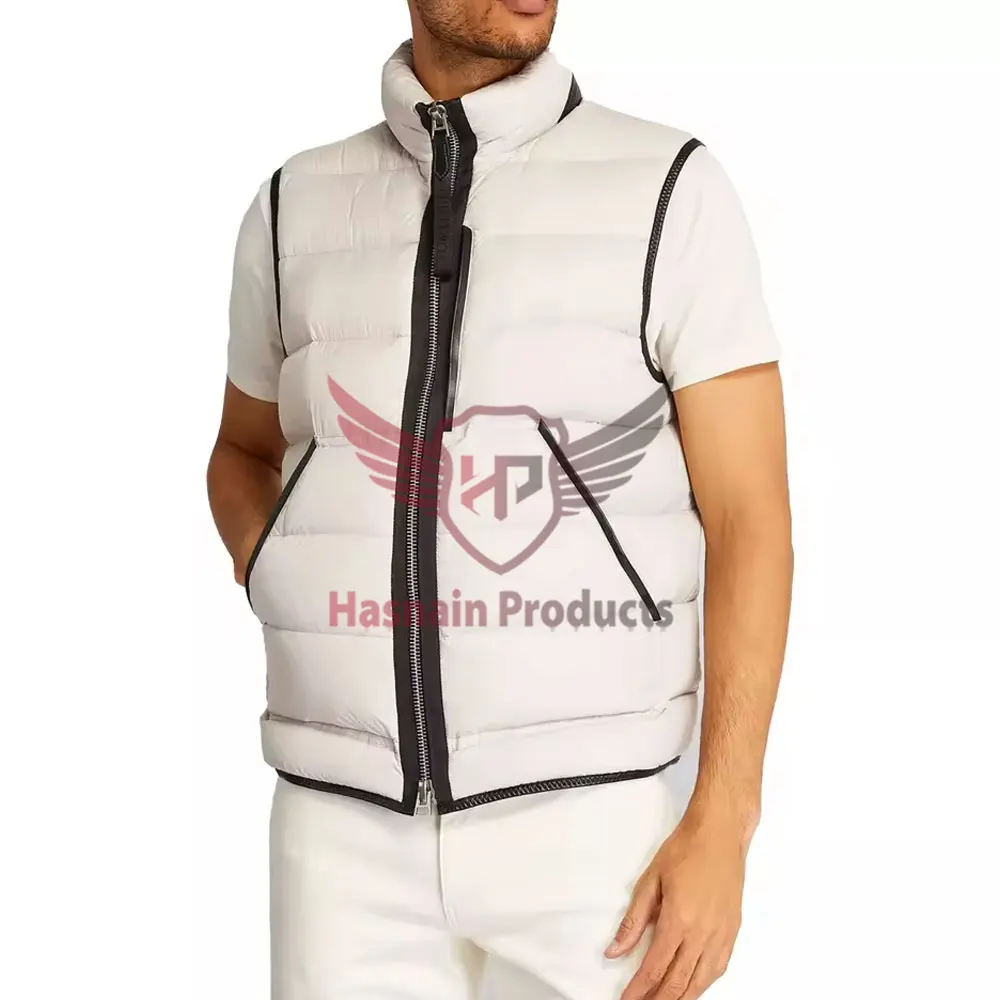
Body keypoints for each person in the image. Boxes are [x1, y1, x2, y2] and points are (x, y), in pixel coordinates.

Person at [206, 1, 793, 997]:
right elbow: (242, 450)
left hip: (596, 829)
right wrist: (276, 568)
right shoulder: (291, 207)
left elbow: (752, 521)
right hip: (338, 831)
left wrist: (723, 821)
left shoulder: (667, 186)